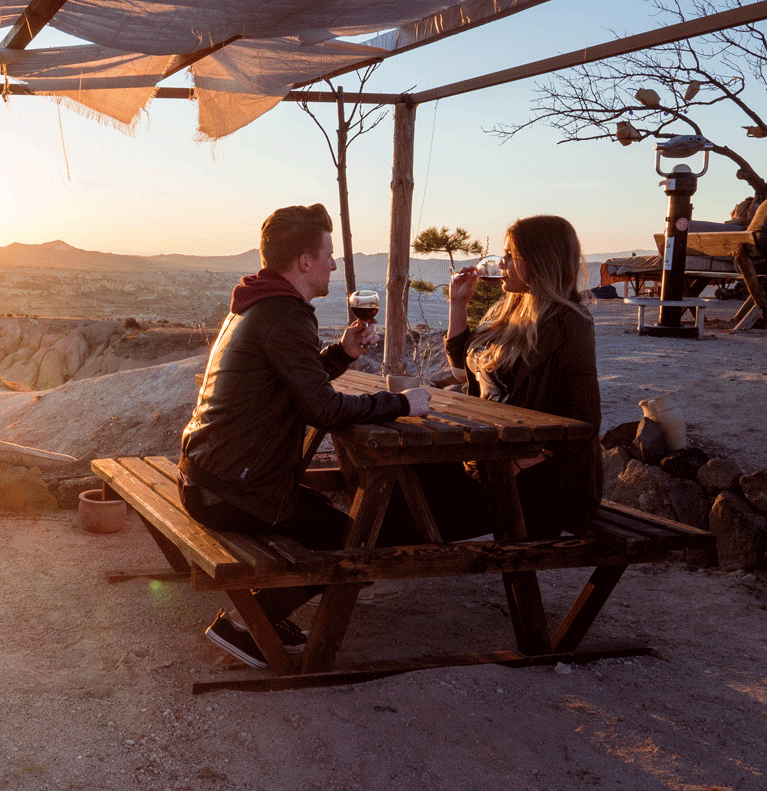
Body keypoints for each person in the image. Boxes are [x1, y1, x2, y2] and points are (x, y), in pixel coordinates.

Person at [177, 203, 430, 668]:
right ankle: (249, 624)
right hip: (229, 491)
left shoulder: (259, 305)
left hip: (211, 477)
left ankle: (264, 616)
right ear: (304, 262)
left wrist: (341, 353)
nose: (334, 264)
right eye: (328, 254)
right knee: (356, 536)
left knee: (334, 518)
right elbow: (326, 409)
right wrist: (402, 403)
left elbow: (294, 382)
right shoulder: (286, 316)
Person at [439, 214, 603, 539]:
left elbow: (584, 420)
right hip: (492, 461)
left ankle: (344, 570)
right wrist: (458, 305)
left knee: (420, 501)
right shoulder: (509, 310)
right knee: (404, 478)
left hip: (545, 482)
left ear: (540, 261)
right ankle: (345, 566)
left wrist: (512, 466)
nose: (501, 262)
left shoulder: (570, 323)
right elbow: (463, 368)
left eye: (511, 255)